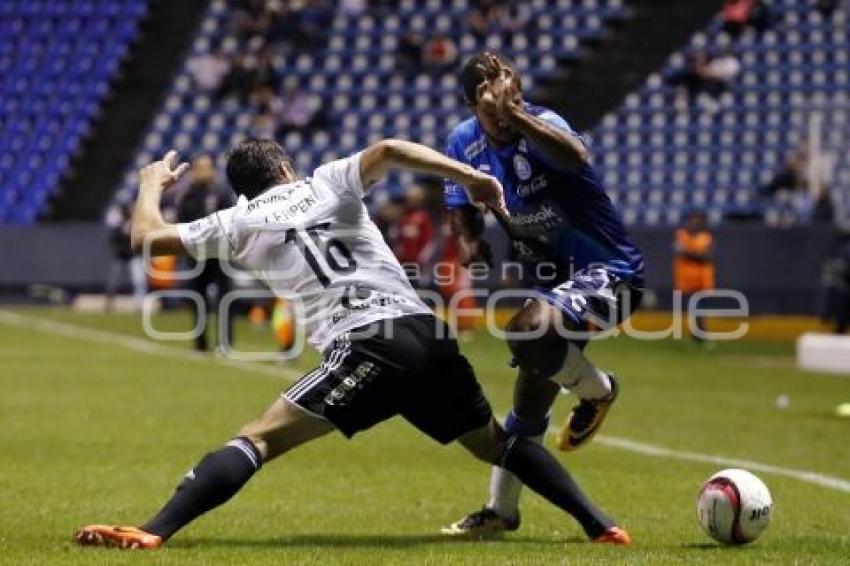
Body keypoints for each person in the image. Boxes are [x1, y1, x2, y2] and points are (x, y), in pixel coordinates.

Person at [73, 138, 632, 549]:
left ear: (243, 187)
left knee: (258, 439)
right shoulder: (327, 181)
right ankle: (602, 526)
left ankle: (153, 531)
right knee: (493, 443)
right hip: (425, 332)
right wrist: (470, 177)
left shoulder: (234, 221)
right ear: (286, 166)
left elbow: (146, 239)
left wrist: (150, 184)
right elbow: (389, 148)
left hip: (365, 343)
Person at [439, 53, 644, 536]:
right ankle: (501, 512)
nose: (507, 108)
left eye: (515, 94)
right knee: (529, 398)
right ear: (471, 105)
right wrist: (471, 244)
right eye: (492, 105)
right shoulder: (462, 141)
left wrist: (515, 115)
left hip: (610, 272)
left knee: (526, 332)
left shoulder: (543, 124)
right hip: (552, 283)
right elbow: (459, 202)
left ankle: (600, 391)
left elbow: (575, 156)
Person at [176, 155, 237, 351]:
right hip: (197, 255)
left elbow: (232, 221)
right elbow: (182, 223)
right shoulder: (188, 195)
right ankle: (200, 342)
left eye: (207, 167)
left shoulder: (221, 193)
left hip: (220, 254)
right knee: (197, 299)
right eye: (200, 167)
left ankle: (225, 342)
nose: (204, 171)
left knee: (225, 298)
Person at [673, 210, 715, 345]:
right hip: (686, 281)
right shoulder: (682, 235)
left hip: (702, 281)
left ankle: (701, 337)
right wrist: (694, 254)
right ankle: (697, 336)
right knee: (693, 309)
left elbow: (706, 258)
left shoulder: (705, 238)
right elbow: (679, 251)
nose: (693, 223)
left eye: (697, 220)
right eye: (692, 220)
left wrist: (688, 253)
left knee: (698, 308)